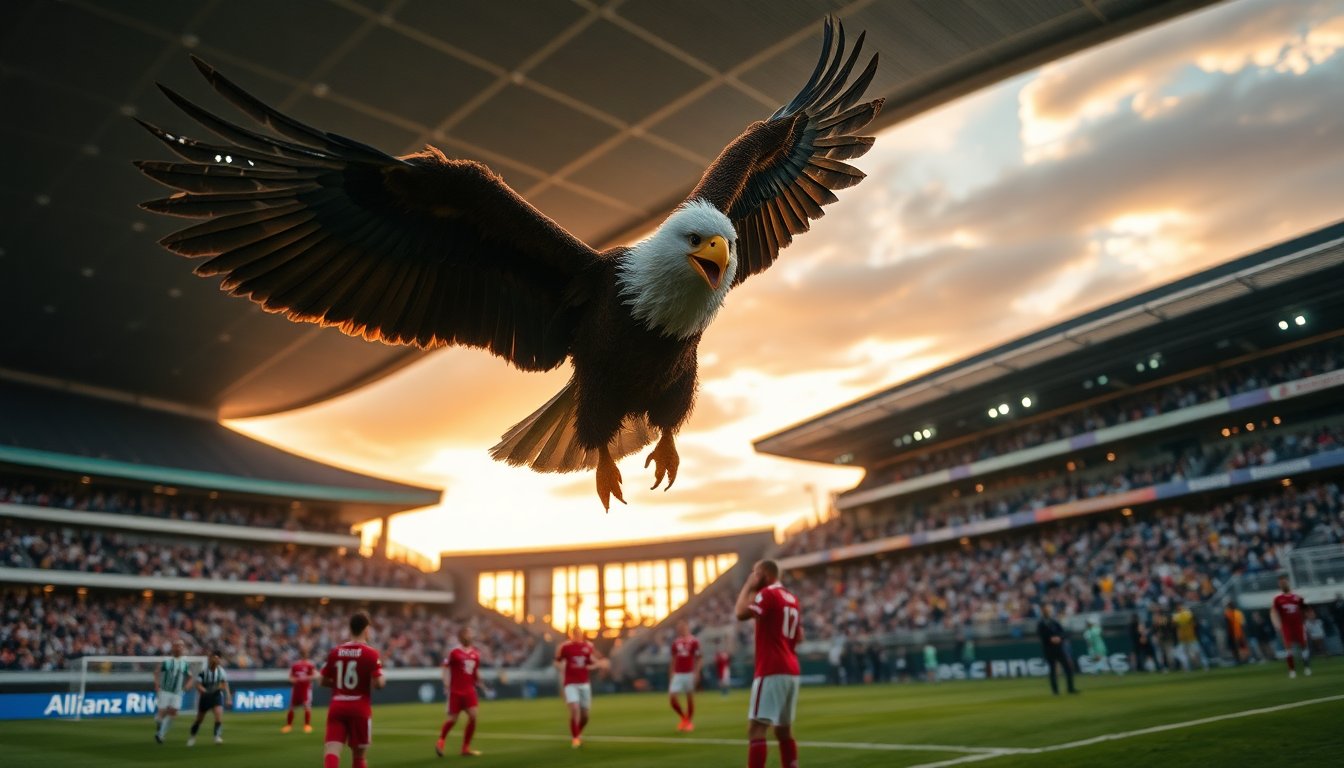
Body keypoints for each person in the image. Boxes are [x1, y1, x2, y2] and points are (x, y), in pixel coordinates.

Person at [734, 559, 803, 768]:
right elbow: (799, 637)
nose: (754, 576)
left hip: (771, 668)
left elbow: (740, 613)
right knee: (783, 730)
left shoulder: (767, 594)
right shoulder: (792, 598)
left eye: (755, 573)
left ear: (763, 574)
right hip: (791, 669)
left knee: (756, 728)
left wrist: (748, 585)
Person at [321, 611, 385, 768]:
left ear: (350, 629)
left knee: (332, 750)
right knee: (359, 756)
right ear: (366, 629)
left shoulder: (335, 652)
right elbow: (378, 684)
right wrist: (384, 677)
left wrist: (338, 685)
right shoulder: (371, 653)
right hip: (359, 708)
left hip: (337, 706)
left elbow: (322, 680)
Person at [436, 626, 487, 757]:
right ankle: (441, 740)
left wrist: (481, 683)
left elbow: (475, 672)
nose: (470, 636)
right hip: (456, 691)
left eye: (471, 634)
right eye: (468, 634)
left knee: (474, 716)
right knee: (453, 719)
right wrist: (446, 682)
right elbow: (445, 667)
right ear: (461, 636)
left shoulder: (476, 654)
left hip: (469, 690)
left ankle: (465, 748)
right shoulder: (454, 652)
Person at [555, 627, 608, 748]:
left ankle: (577, 732)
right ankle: (575, 739)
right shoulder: (565, 647)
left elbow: (593, 660)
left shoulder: (588, 646)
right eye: (574, 634)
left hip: (584, 683)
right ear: (571, 635)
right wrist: (560, 667)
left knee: (585, 716)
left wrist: (598, 664)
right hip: (570, 683)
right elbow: (557, 661)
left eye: (578, 633)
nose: (576, 635)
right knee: (574, 709)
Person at [186, 650, 230, 746]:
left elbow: (224, 684)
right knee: (199, 719)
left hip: (216, 696)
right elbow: (198, 684)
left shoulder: (221, 671)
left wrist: (228, 697)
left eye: (217, 659)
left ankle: (217, 736)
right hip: (205, 697)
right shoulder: (203, 671)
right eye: (213, 658)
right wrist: (204, 690)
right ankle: (192, 737)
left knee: (218, 716)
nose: (215, 660)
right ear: (210, 659)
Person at [1271, 575, 1312, 678]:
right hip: (1286, 626)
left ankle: (1307, 667)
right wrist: (1276, 623)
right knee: (1288, 647)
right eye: (1281, 583)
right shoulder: (1277, 598)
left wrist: (1306, 619)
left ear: (1288, 582)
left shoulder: (1297, 596)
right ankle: (1292, 670)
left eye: (1284, 582)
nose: (1283, 584)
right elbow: (1273, 612)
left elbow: (1306, 609)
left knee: (1303, 645)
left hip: (1298, 625)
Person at [153, 640, 191, 744]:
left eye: (181, 646)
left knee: (174, 713)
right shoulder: (167, 661)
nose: (179, 648)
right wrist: (157, 686)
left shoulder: (184, 662)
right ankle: (160, 728)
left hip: (177, 692)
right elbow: (156, 672)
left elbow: (190, 676)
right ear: (173, 648)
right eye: (177, 646)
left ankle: (160, 734)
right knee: (162, 713)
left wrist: (186, 687)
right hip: (165, 690)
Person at [667, 619, 701, 731]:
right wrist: (671, 672)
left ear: (687, 627)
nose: (681, 629)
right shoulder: (675, 642)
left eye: (683, 627)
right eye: (679, 627)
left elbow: (699, 658)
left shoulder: (694, 641)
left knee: (689, 698)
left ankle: (688, 722)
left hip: (689, 672)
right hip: (678, 673)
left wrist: (697, 672)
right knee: (672, 698)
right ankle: (684, 718)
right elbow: (673, 659)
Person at [1036, 605, 1078, 695]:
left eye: (1049, 611)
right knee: (1052, 670)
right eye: (1047, 611)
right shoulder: (1041, 624)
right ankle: (1055, 691)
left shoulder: (1054, 622)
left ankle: (1070, 688)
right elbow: (1041, 635)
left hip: (1058, 648)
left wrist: (1059, 638)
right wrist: (1050, 639)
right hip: (1049, 649)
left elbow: (1063, 633)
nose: (1049, 612)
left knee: (1067, 668)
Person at [283, 646, 317, 733]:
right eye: (304, 653)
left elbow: (314, 675)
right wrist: (294, 680)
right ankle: (288, 725)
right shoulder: (295, 665)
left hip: (306, 689)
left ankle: (307, 725)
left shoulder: (310, 665)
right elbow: (290, 677)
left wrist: (305, 677)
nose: (305, 655)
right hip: (296, 689)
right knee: (292, 707)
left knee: (306, 706)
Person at [1171, 602, 1208, 671]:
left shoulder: (1182, 614)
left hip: (1190, 636)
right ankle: (1189, 668)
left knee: (1197, 652)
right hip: (1183, 637)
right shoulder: (1182, 614)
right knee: (1184, 653)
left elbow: (1193, 622)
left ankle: (1204, 665)